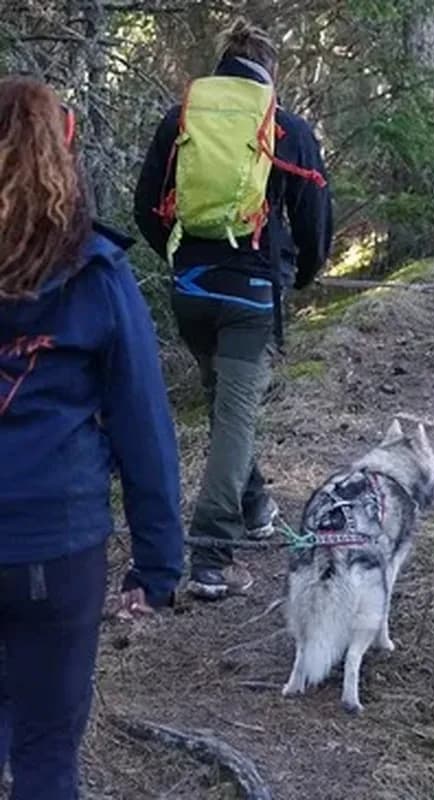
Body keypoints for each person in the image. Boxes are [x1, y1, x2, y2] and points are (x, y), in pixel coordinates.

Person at [0, 76, 184, 799]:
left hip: (55, 536)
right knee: (47, 753)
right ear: (62, 157)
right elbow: (143, 424)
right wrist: (158, 563)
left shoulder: (100, 271)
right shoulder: (97, 275)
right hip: (57, 542)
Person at [134, 19, 333, 600]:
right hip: (249, 298)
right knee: (236, 417)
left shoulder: (182, 119)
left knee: (226, 407)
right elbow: (315, 217)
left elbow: (148, 207)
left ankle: (257, 506)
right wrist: (302, 275)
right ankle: (212, 555)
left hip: (191, 289)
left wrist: (182, 259)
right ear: (269, 73)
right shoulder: (285, 127)